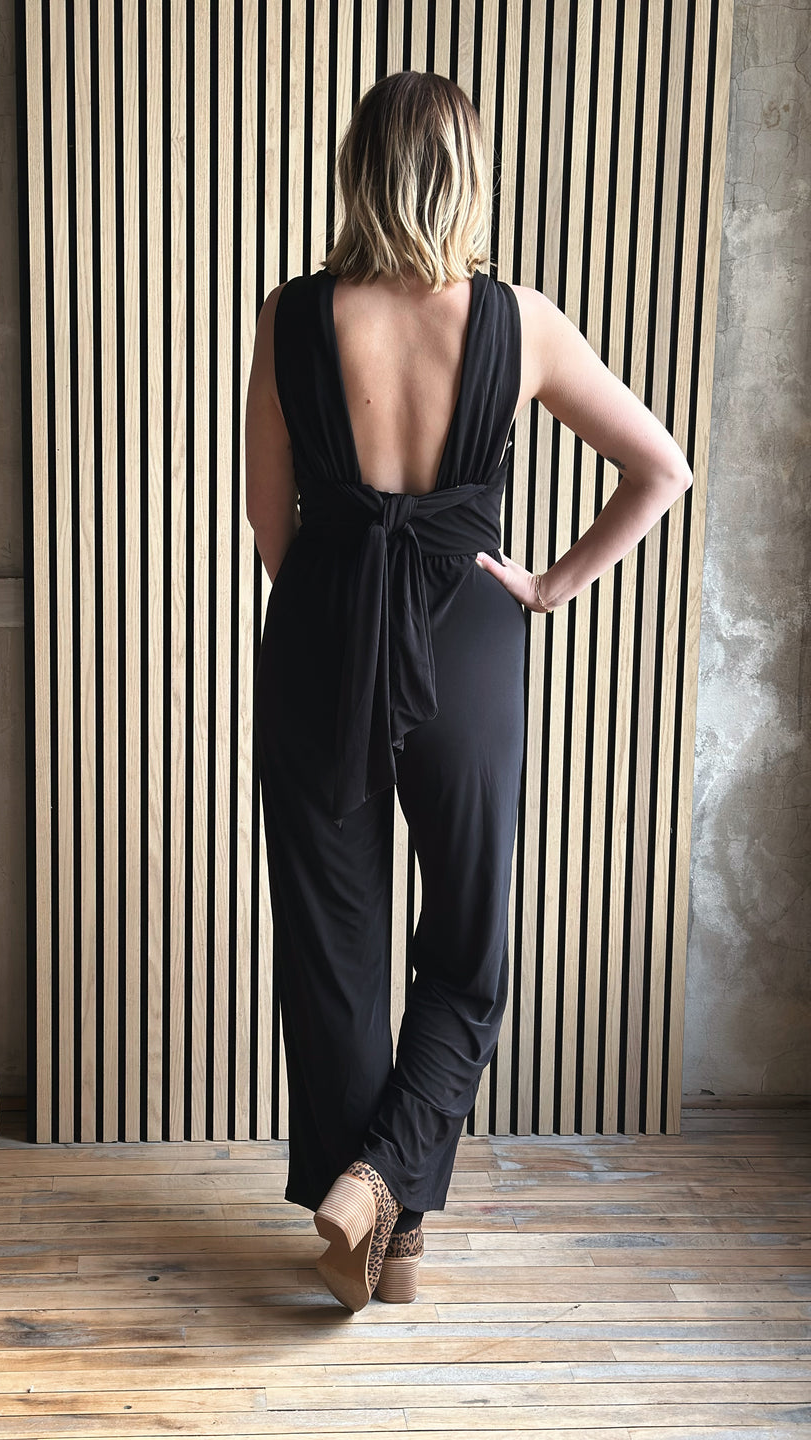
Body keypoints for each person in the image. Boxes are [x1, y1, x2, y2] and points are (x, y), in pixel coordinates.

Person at [244, 70, 693, 1313]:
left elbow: (267, 520)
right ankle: (390, 1208)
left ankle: (368, 1207)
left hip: (320, 634)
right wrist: (544, 586)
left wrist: (339, 603)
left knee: (332, 944)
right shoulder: (523, 320)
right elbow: (662, 467)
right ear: (465, 174)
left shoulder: (291, 318)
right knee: (466, 944)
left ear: (360, 170)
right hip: (471, 645)